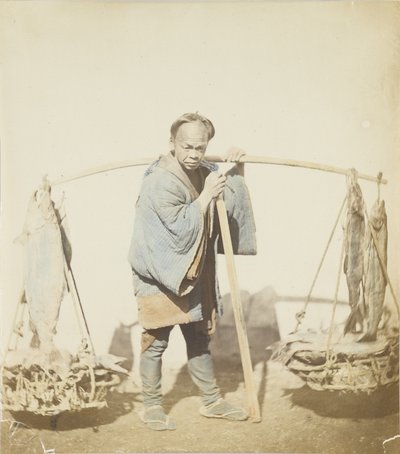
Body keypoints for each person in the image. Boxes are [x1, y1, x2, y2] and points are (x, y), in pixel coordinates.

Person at [128, 112, 256, 431]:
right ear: (172, 143)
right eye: (186, 147)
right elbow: (176, 228)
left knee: (199, 339)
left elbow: (228, 193)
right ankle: (153, 405)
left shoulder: (204, 170)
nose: (194, 154)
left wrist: (235, 165)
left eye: (201, 147)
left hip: (194, 272)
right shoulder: (159, 179)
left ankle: (211, 401)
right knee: (156, 342)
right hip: (160, 273)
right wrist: (205, 197)